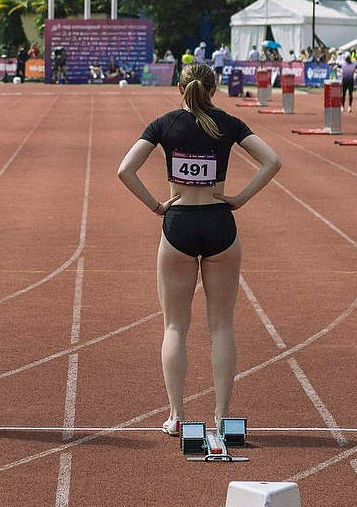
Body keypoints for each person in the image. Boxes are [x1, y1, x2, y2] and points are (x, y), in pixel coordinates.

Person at [117, 63, 281, 433]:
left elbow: (125, 170)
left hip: (179, 224)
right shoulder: (229, 123)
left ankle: (177, 417)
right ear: (215, 88)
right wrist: (239, 198)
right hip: (220, 223)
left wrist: (157, 206)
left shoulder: (164, 124)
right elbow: (272, 161)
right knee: (222, 326)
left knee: (175, 326)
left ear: (180, 88)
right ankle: (223, 417)